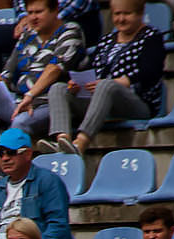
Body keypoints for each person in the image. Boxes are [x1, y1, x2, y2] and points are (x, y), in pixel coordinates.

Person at [0, 0, 82, 143]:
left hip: (49, 104)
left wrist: (30, 95)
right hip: (19, 102)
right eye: (30, 13)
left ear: (55, 11)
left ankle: (2, 157)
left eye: (39, 12)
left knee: (20, 122)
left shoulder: (70, 31)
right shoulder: (28, 35)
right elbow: (8, 73)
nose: (33, 17)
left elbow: (54, 69)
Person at [63, 0, 161, 154]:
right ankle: (63, 140)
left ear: (140, 14)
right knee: (59, 89)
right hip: (99, 101)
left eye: (127, 14)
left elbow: (151, 72)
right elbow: (92, 71)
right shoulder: (106, 40)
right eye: (117, 14)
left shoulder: (151, 37)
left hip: (136, 103)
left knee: (106, 85)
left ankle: (81, 142)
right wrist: (77, 84)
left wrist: (122, 82)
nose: (121, 19)